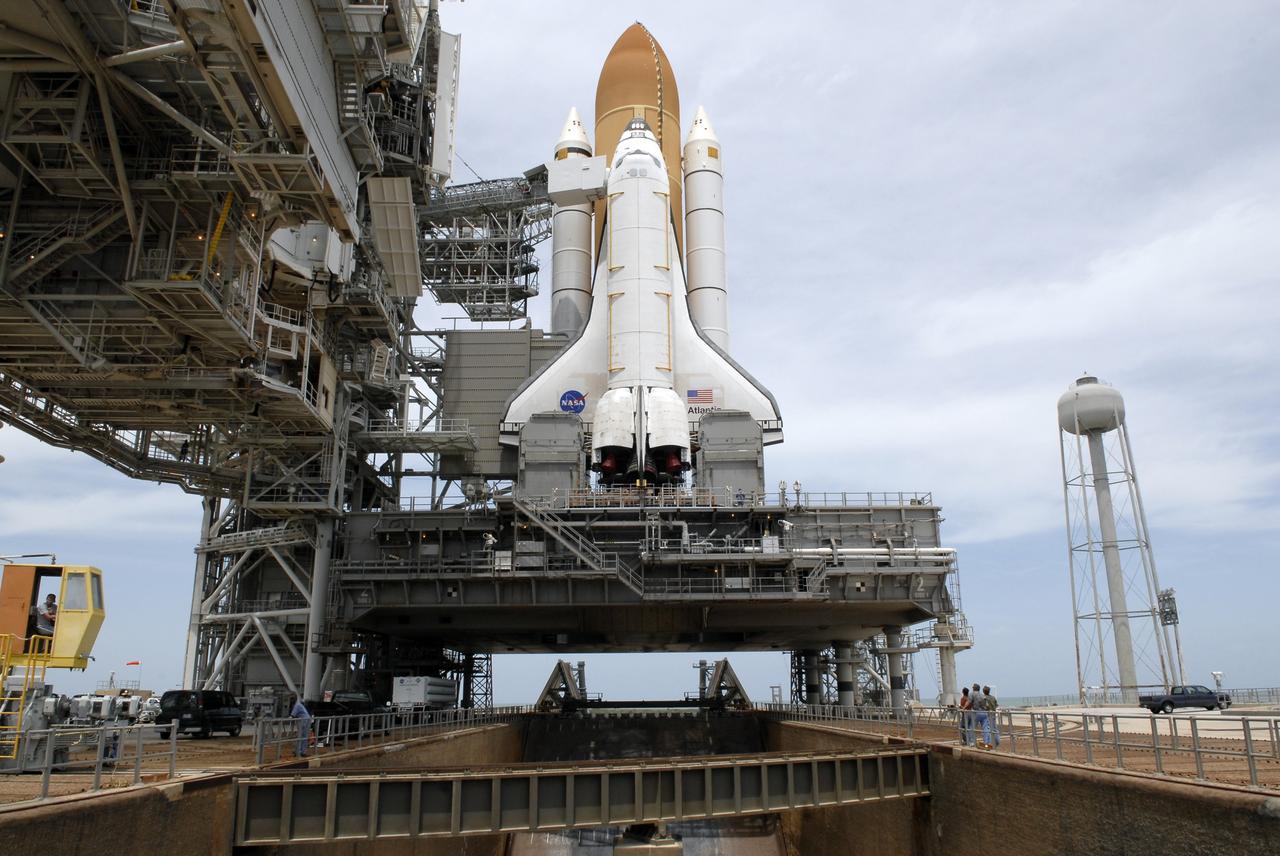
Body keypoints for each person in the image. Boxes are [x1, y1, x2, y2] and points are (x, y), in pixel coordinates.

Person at [972, 683, 989, 749]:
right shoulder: (983, 696)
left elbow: (969, 702)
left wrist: (964, 708)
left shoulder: (972, 694)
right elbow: (987, 706)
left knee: (972, 727)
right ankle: (986, 744)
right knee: (985, 728)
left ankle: (972, 742)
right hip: (984, 713)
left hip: (977, 712)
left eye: (973, 687)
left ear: (974, 688)